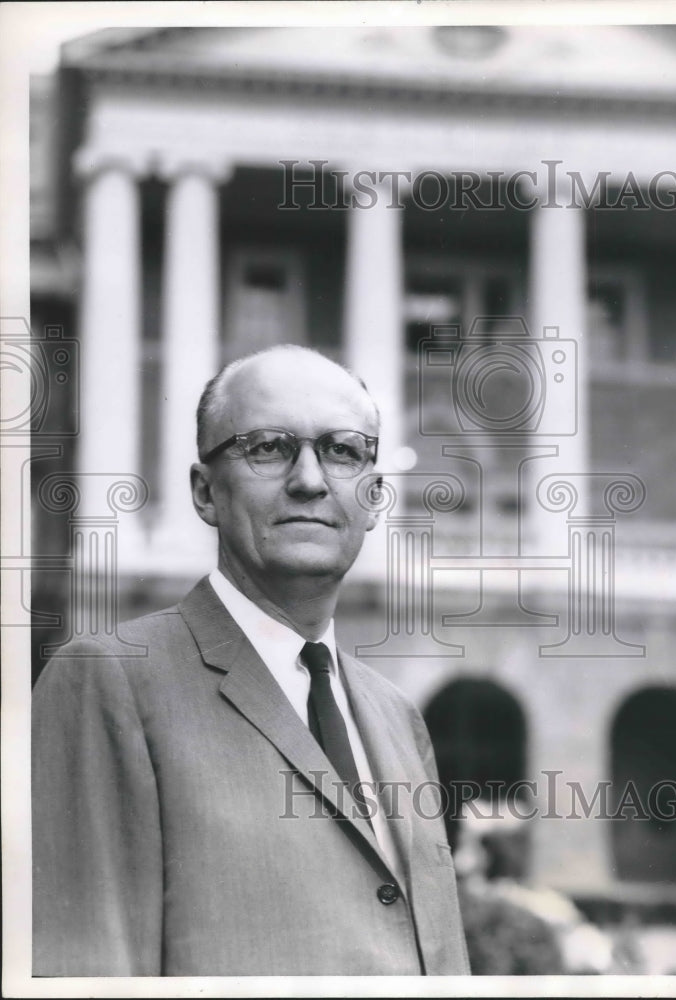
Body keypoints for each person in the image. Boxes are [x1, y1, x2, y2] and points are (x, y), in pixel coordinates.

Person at [32, 345, 470, 977]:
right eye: (268, 446)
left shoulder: (397, 717)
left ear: (374, 497)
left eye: (343, 451)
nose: (311, 480)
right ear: (205, 492)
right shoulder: (107, 681)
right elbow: (86, 977)